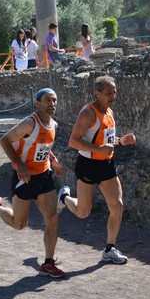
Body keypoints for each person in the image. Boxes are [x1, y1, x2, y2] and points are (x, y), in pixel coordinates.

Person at [0, 88, 66, 278]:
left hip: (44, 176)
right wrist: (19, 165)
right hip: (24, 178)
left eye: (54, 100)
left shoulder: (54, 124)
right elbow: (4, 140)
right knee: (20, 224)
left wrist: (53, 160)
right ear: (37, 103)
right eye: (47, 100)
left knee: (52, 219)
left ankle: (48, 263)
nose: (52, 104)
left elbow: (43, 146)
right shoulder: (30, 123)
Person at [57, 76, 136, 264]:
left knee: (117, 206)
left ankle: (110, 248)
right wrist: (98, 150)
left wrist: (121, 141)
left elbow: (106, 139)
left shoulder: (109, 112)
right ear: (97, 93)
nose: (112, 96)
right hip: (88, 165)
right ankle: (63, 198)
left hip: (107, 164)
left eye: (114, 92)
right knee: (83, 212)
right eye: (108, 93)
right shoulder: (88, 113)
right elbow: (73, 141)